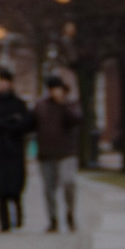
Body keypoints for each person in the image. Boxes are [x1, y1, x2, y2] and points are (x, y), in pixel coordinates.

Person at [0, 67, 36, 231]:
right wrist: (5, 123)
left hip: (15, 148)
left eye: (5, 82)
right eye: (0, 82)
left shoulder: (19, 104)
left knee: (15, 185)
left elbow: (27, 124)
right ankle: (3, 222)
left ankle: (18, 216)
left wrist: (11, 124)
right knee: (0, 186)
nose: (3, 85)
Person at [34, 72, 81, 233]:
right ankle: (52, 219)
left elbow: (76, 120)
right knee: (49, 189)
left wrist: (62, 104)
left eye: (57, 89)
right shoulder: (40, 106)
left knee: (69, 182)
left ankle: (70, 213)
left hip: (66, 152)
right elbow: (32, 124)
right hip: (46, 153)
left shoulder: (70, 104)